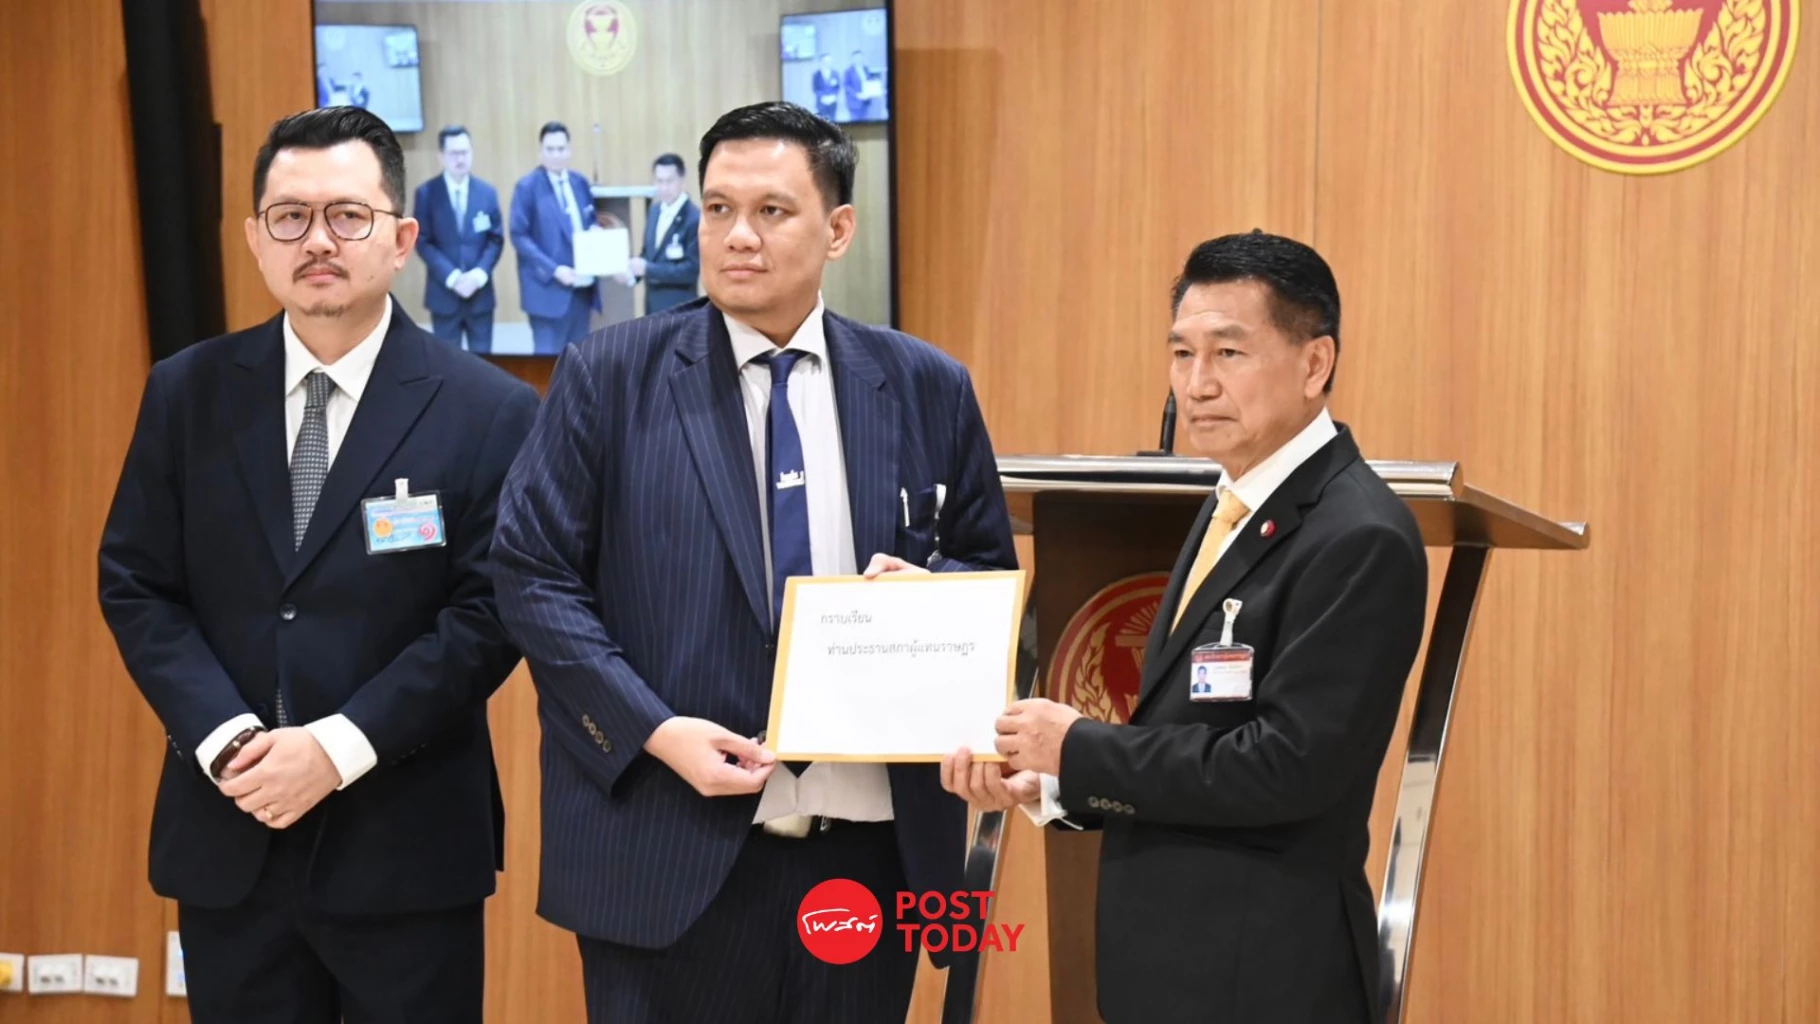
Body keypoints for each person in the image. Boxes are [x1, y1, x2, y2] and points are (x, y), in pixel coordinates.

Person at [491, 100, 1017, 1024]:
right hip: (667, 842)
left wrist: (933, 596)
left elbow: (981, 565)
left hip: (866, 854)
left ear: (837, 230)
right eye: (718, 209)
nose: (738, 236)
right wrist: (655, 731)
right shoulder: (608, 376)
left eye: (772, 211)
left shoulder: (926, 384)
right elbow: (531, 575)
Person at [97, 106, 539, 1024]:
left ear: (402, 239)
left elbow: (489, 612)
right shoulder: (186, 392)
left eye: (348, 215)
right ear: (256, 240)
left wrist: (337, 749)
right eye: (290, 217)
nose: (318, 240)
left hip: (407, 847)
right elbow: (137, 584)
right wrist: (227, 739)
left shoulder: (487, 409)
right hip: (231, 830)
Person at [943, 231, 1429, 1023]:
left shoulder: (1358, 533)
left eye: (1229, 353)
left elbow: (1288, 767)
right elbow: (1194, 733)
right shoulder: (1231, 501)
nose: (1197, 384)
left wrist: (1081, 747)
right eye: (1181, 353)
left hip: (1262, 981)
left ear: (1315, 364)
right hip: (1175, 975)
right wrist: (1055, 782)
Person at [510, 121, 600, 355]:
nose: (556, 155)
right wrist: (554, 270)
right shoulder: (527, 187)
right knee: (548, 365)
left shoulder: (580, 183)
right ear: (540, 153)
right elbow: (519, 236)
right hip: (546, 293)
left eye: (561, 149)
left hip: (581, 291)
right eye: (550, 149)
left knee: (580, 361)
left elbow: (590, 223)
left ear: (569, 151)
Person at [414, 125, 504, 353]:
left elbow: (495, 240)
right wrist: (453, 278)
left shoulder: (487, 193)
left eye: (465, 152)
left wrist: (478, 276)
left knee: (484, 365)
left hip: (480, 295)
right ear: (441, 156)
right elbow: (422, 241)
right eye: (454, 153)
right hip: (444, 296)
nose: (460, 159)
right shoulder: (426, 193)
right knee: (446, 364)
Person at [624, 152, 700, 314]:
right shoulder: (654, 211)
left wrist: (648, 269)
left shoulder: (694, 218)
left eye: (669, 181)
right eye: (659, 181)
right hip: (653, 307)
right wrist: (632, 273)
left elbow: (690, 270)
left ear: (682, 180)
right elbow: (648, 254)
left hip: (680, 309)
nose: (664, 188)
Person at [811, 55, 842, 120]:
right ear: (821, 62)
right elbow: (815, 89)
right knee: (822, 122)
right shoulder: (816, 74)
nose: (828, 63)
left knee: (833, 122)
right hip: (821, 103)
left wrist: (833, 96)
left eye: (829, 61)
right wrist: (823, 97)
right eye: (826, 61)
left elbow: (838, 87)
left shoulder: (835, 73)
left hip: (833, 102)